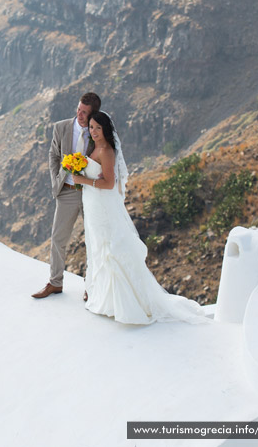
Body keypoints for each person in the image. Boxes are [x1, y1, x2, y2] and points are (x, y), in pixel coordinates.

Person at [72, 111, 209, 324]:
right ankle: (104, 298)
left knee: (111, 249)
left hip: (102, 206)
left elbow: (109, 183)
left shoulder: (107, 151)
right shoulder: (93, 147)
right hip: (93, 205)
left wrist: (83, 179)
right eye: (91, 127)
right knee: (99, 247)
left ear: (106, 129)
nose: (94, 131)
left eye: (98, 128)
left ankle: (125, 303)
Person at [32, 92, 101, 298]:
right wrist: (57, 180)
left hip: (91, 193)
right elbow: (53, 155)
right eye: (78, 110)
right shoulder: (61, 127)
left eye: (84, 113)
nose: (79, 115)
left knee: (93, 240)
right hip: (67, 192)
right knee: (58, 238)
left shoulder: (98, 131)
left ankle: (92, 287)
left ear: (92, 115)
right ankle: (55, 283)